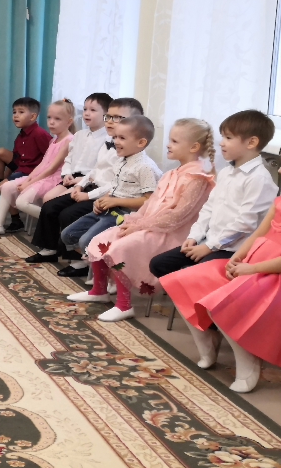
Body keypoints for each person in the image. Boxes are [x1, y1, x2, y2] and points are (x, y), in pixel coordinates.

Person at [161, 138, 281, 393]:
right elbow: (258, 234)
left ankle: (248, 360)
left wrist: (253, 269)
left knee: (222, 301)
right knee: (182, 281)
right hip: (253, 263)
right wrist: (237, 258)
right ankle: (210, 342)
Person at [71, 118, 215, 323]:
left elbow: (178, 217)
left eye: (174, 141)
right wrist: (132, 222)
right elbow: (149, 205)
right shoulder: (171, 174)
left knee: (121, 248)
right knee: (101, 239)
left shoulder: (197, 178)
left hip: (171, 234)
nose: (168, 145)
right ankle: (99, 290)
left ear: (194, 147)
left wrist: (139, 226)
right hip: (151, 225)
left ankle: (124, 305)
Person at [147, 110, 279, 283]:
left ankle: (199, 298)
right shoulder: (226, 172)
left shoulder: (259, 179)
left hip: (234, 249)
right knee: (158, 264)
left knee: (197, 275)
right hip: (209, 241)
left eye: (228, 138)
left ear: (252, 142)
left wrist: (210, 247)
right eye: (223, 137)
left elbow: (245, 224)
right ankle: (187, 297)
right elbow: (209, 208)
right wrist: (194, 237)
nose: (222, 143)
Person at [27, 97, 145, 271]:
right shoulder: (108, 143)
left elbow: (113, 184)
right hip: (90, 187)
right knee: (50, 206)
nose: (110, 122)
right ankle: (50, 249)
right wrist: (79, 185)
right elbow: (94, 170)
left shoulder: (128, 151)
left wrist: (87, 195)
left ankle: (79, 261)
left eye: (118, 118)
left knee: (68, 214)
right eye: (109, 117)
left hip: (105, 195)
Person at [57, 115, 160, 271]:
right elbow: (116, 186)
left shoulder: (145, 167)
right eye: (115, 137)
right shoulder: (121, 160)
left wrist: (116, 201)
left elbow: (148, 200)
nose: (116, 141)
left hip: (124, 215)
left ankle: (103, 270)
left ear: (141, 142)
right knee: (68, 235)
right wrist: (102, 200)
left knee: (86, 241)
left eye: (122, 138)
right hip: (108, 208)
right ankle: (96, 261)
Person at [0, 99, 75, 235]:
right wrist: (27, 180)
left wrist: (29, 183)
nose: (51, 122)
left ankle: (55, 222)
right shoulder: (53, 140)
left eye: (57, 119)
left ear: (69, 121)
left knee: (21, 202)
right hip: (41, 175)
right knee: (6, 187)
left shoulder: (69, 140)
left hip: (53, 179)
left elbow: (51, 169)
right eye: (49, 118)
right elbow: (43, 164)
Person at [41, 93, 113, 208]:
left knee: (54, 204)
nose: (87, 113)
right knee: (47, 198)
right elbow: (69, 158)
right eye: (85, 109)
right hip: (71, 177)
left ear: (106, 114)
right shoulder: (79, 135)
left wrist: (83, 179)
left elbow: (101, 168)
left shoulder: (108, 139)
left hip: (86, 181)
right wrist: (66, 174)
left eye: (93, 110)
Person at [0, 97, 50, 188]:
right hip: (22, 166)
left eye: (21, 112)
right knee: (0, 152)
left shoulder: (39, 134)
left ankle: (1, 186)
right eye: (14, 112)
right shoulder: (21, 135)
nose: (16, 115)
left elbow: (51, 156)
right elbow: (16, 159)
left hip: (31, 170)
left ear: (33, 117)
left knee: (3, 186)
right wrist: (6, 178)